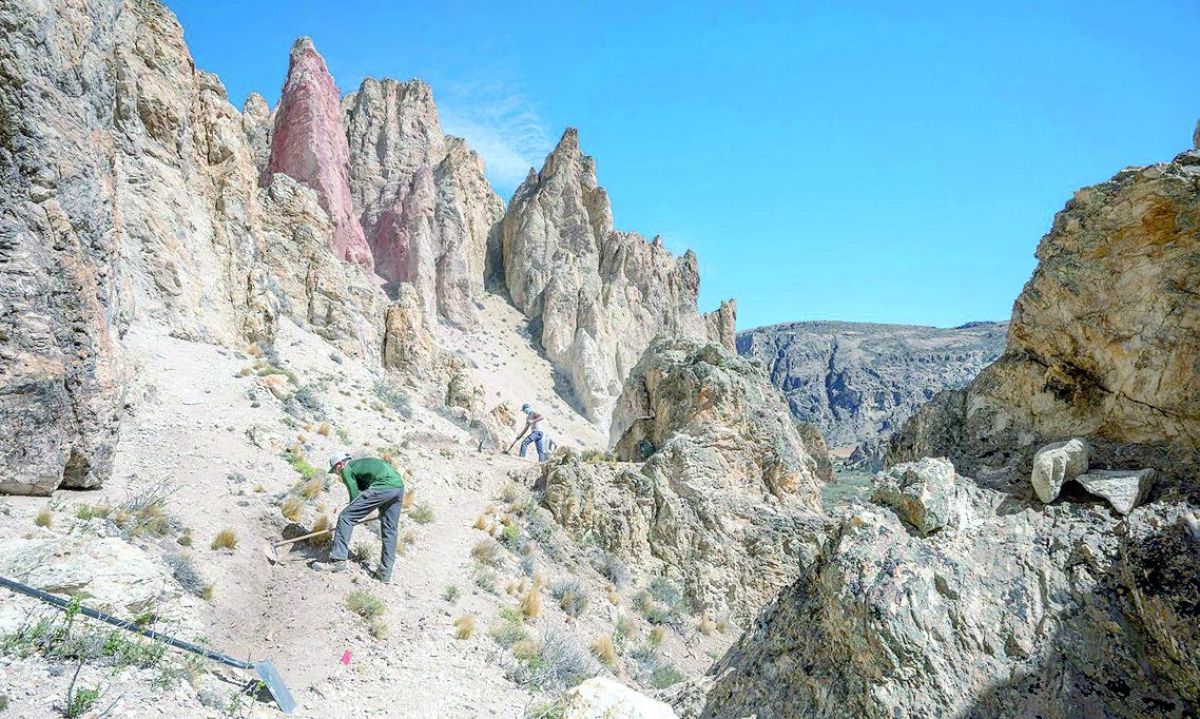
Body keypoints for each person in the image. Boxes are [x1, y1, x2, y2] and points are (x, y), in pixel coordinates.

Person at [312, 452, 406, 583]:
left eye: (335, 470)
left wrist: (353, 513)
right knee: (390, 530)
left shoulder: (347, 469)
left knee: (346, 517)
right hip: (398, 487)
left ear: (340, 465)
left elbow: (354, 496)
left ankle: (338, 561)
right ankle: (385, 574)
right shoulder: (359, 465)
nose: (337, 474)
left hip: (383, 486)